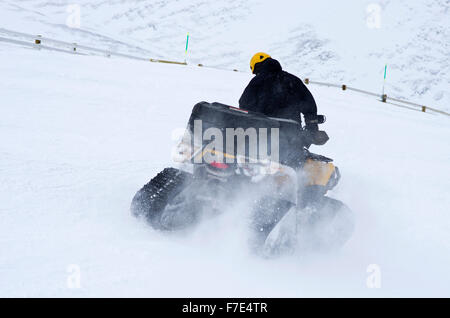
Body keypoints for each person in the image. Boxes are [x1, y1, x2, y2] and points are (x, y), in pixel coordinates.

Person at [239, 52, 323, 135]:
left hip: (264, 133)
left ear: (257, 67)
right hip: (292, 133)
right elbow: (308, 104)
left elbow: (244, 105)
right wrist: (312, 128)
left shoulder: (256, 82)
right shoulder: (292, 80)